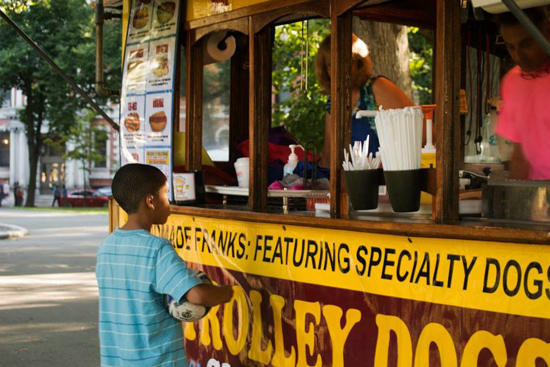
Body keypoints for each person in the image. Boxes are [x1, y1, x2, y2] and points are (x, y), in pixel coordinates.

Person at [96, 163, 234, 366]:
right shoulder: (156, 249)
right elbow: (197, 295)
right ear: (151, 201)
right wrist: (226, 292)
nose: (168, 202)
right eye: (166, 194)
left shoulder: (106, 247)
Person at [315, 33, 414, 168]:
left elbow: (419, 136)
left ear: (358, 62)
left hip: (387, 184)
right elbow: (328, 156)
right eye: (330, 65)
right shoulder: (333, 102)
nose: (337, 70)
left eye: (344, 62)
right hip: (349, 186)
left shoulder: (378, 88)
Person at [495, 7, 550, 179]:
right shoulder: (511, 82)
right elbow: (519, 156)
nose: (518, 55)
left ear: (547, 33)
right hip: (539, 196)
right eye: (511, 47)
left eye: (526, 44)